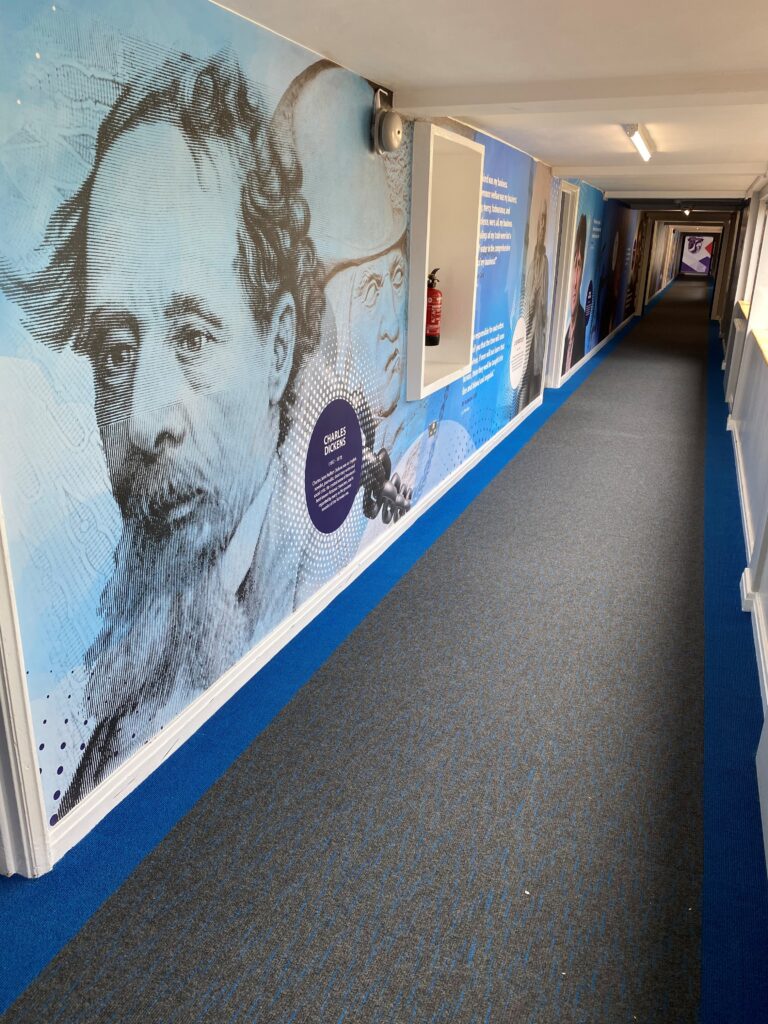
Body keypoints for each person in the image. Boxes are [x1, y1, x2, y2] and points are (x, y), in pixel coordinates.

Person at [3, 52, 325, 811]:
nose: (143, 420)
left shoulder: (315, 576)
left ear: (278, 351)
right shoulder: (96, 680)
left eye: (191, 336)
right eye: (116, 350)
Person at [518, 205, 549, 411]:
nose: (541, 228)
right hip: (527, 327)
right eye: (540, 223)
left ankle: (528, 409)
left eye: (544, 225)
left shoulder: (544, 262)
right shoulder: (530, 264)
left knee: (531, 377)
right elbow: (527, 297)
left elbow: (543, 301)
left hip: (536, 329)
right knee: (522, 379)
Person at [562, 214, 587, 375]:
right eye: (573, 264)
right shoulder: (562, 333)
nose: (574, 281)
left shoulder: (581, 321)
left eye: (579, 264)